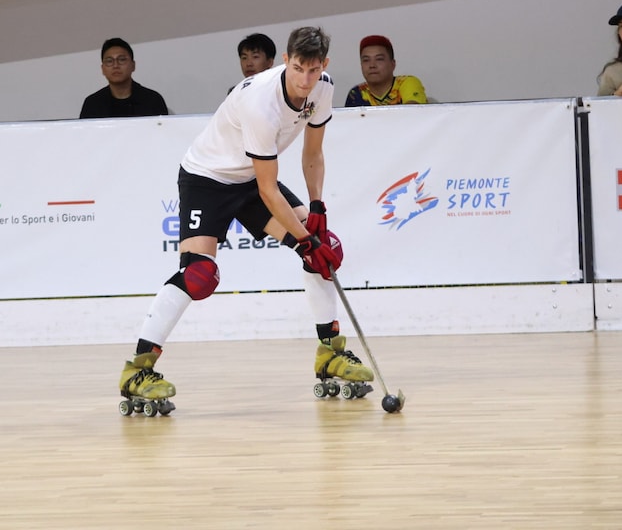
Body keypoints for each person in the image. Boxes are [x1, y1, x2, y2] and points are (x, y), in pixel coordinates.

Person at [118, 27, 374, 411]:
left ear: (325, 65)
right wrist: (306, 238)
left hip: (252, 178)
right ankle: (137, 371)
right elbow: (270, 192)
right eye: (299, 68)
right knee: (198, 274)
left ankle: (330, 353)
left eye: (314, 69)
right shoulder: (261, 102)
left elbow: (313, 154)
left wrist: (317, 210)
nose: (306, 80)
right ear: (287, 61)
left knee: (325, 251)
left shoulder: (323, 88)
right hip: (209, 178)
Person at [80, 38, 168, 118]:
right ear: (103, 69)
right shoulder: (92, 104)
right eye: (109, 61)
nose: (115, 65)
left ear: (133, 65)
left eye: (122, 59)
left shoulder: (152, 100)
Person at [344, 35, 427, 107]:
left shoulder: (407, 83)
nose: (372, 65)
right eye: (366, 60)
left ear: (392, 64)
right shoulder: (356, 93)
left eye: (379, 59)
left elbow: (413, 115)